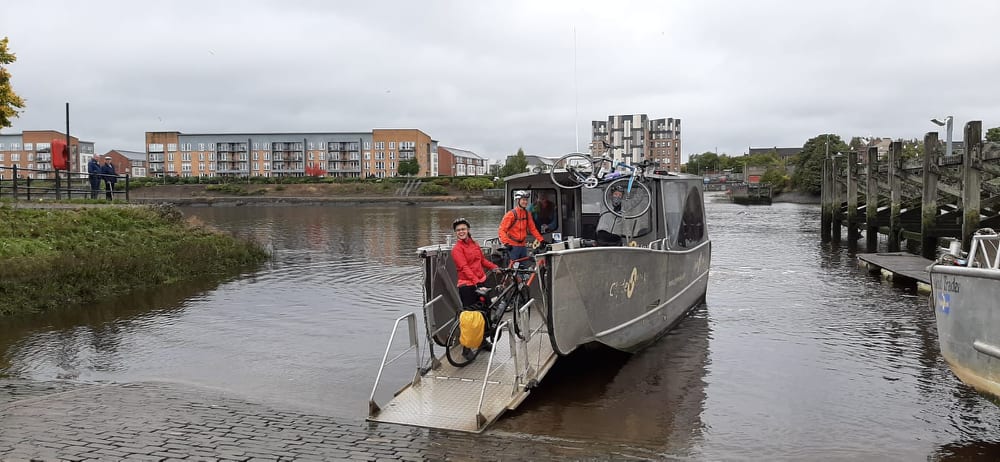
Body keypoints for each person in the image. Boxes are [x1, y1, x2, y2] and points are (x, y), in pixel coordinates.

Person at [451, 218, 499, 308]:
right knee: (472, 315)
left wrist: (495, 267)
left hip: (481, 281)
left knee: (486, 309)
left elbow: (482, 260)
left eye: (463, 229)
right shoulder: (457, 249)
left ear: (468, 230)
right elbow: (464, 268)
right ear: (455, 232)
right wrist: (477, 283)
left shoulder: (475, 244)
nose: (461, 232)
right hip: (468, 286)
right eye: (458, 230)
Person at [498, 190, 545, 262]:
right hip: (512, 246)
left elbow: (533, 229)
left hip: (523, 246)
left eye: (526, 200)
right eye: (523, 200)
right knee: (513, 268)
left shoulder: (527, 214)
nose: (525, 202)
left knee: (524, 268)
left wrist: (541, 240)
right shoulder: (511, 214)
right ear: (518, 201)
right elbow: (502, 230)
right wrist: (506, 243)